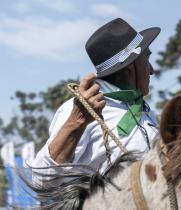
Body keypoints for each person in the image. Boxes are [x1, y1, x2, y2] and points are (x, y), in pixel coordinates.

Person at [32, 18, 161, 187]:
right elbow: (40, 181)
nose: (151, 70)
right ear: (131, 65)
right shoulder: (78, 110)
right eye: (147, 59)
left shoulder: (147, 114)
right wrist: (77, 121)